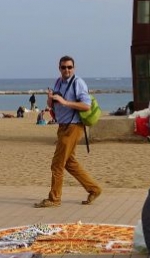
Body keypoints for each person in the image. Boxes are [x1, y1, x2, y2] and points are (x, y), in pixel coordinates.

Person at [34, 56, 103, 208]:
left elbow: (86, 105)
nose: (67, 70)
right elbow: (53, 105)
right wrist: (50, 100)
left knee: (57, 164)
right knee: (69, 163)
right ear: (59, 68)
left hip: (73, 126)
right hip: (62, 126)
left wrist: (65, 102)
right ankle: (94, 189)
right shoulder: (58, 82)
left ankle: (54, 198)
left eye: (69, 67)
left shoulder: (78, 83)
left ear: (74, 68)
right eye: (64, 67)